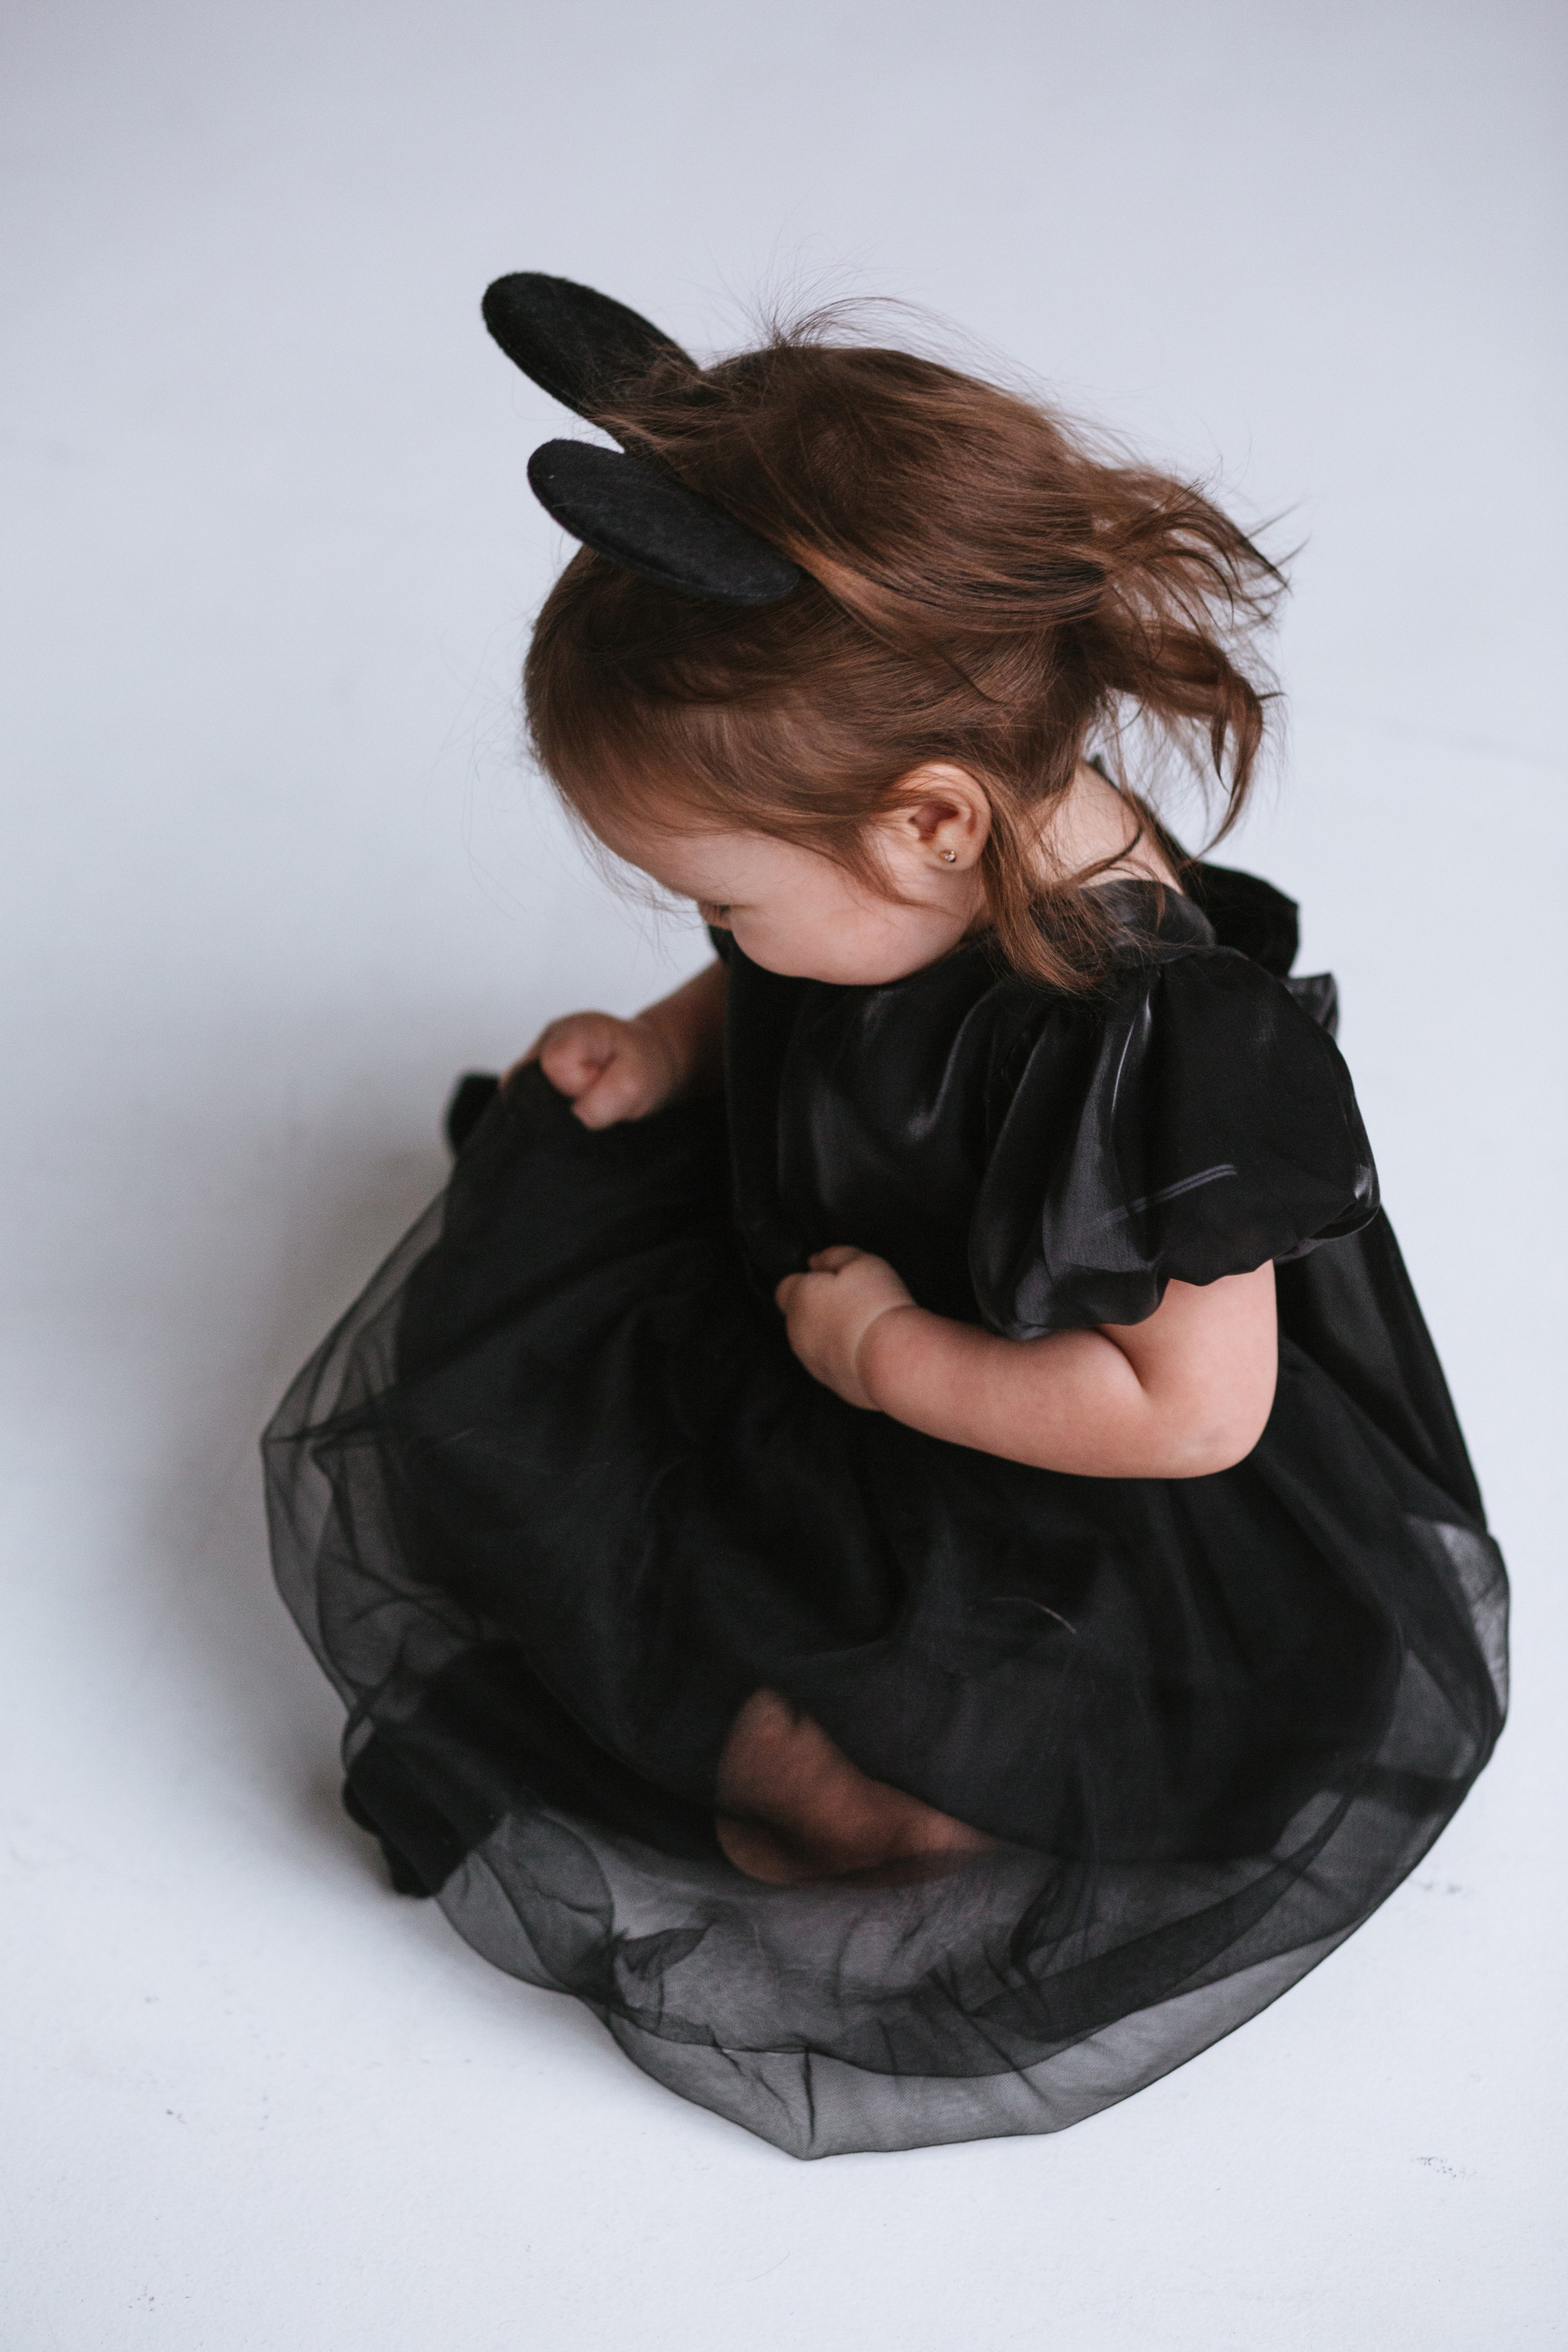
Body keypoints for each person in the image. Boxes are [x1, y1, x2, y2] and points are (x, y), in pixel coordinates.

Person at [265, 278, 1507, 2158]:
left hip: (1046, 1456)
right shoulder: (933, 852)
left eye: (727, 906)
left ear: (929, 825)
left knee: (899, 1787)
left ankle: (841, 1755)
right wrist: (677, 1048)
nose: (721, 938)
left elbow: (1194, 1413)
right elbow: (791, 993)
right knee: (542, 1400)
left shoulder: (1164, 1050)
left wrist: (894, 1358)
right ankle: (745, 1681)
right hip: (836, 1274)